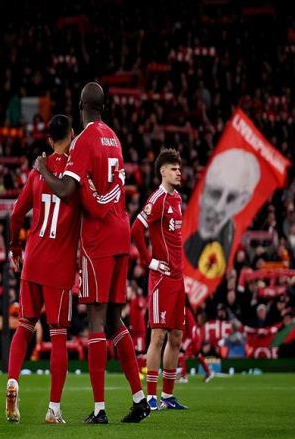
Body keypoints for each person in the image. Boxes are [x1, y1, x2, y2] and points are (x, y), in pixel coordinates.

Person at [34, 83, 149, 424]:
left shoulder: (84, 140)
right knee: (115, 319)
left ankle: (99, 409)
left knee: (96, 321)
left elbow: (67, 191)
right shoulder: (114, 138)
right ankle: (140, 400)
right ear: (103, 107)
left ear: (81, 106)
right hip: (121, 231)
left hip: (98, 239)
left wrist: (43, 170)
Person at [6, 114, 121, 424]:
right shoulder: (76, 173)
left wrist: (15, 250)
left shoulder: (36, 172)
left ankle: (12, 380)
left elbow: (15, 215)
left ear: (48, 140)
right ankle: (53, 409)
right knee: (58, 336)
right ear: (73, 134)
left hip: (32, 260)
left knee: (24, 326)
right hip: (58, 268)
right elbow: (93, 209)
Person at [131, 148, 188, 410]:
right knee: (158, 337)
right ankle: (151, 397)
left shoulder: (177, 199)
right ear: (162, 171)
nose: (179, 172)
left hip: (178, 278)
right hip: (162, 278)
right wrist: (149, 261)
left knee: (176, 337)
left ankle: (167, 396)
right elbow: (135, 229)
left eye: (179, 168)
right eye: (174, 169)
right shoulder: (158, 199)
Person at [184, 149, 260, 278]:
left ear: (243, 202)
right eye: (215, 193)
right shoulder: (184, 241)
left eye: (231, 198)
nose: (219, 208)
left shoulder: (234, 243)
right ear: (202, 192)